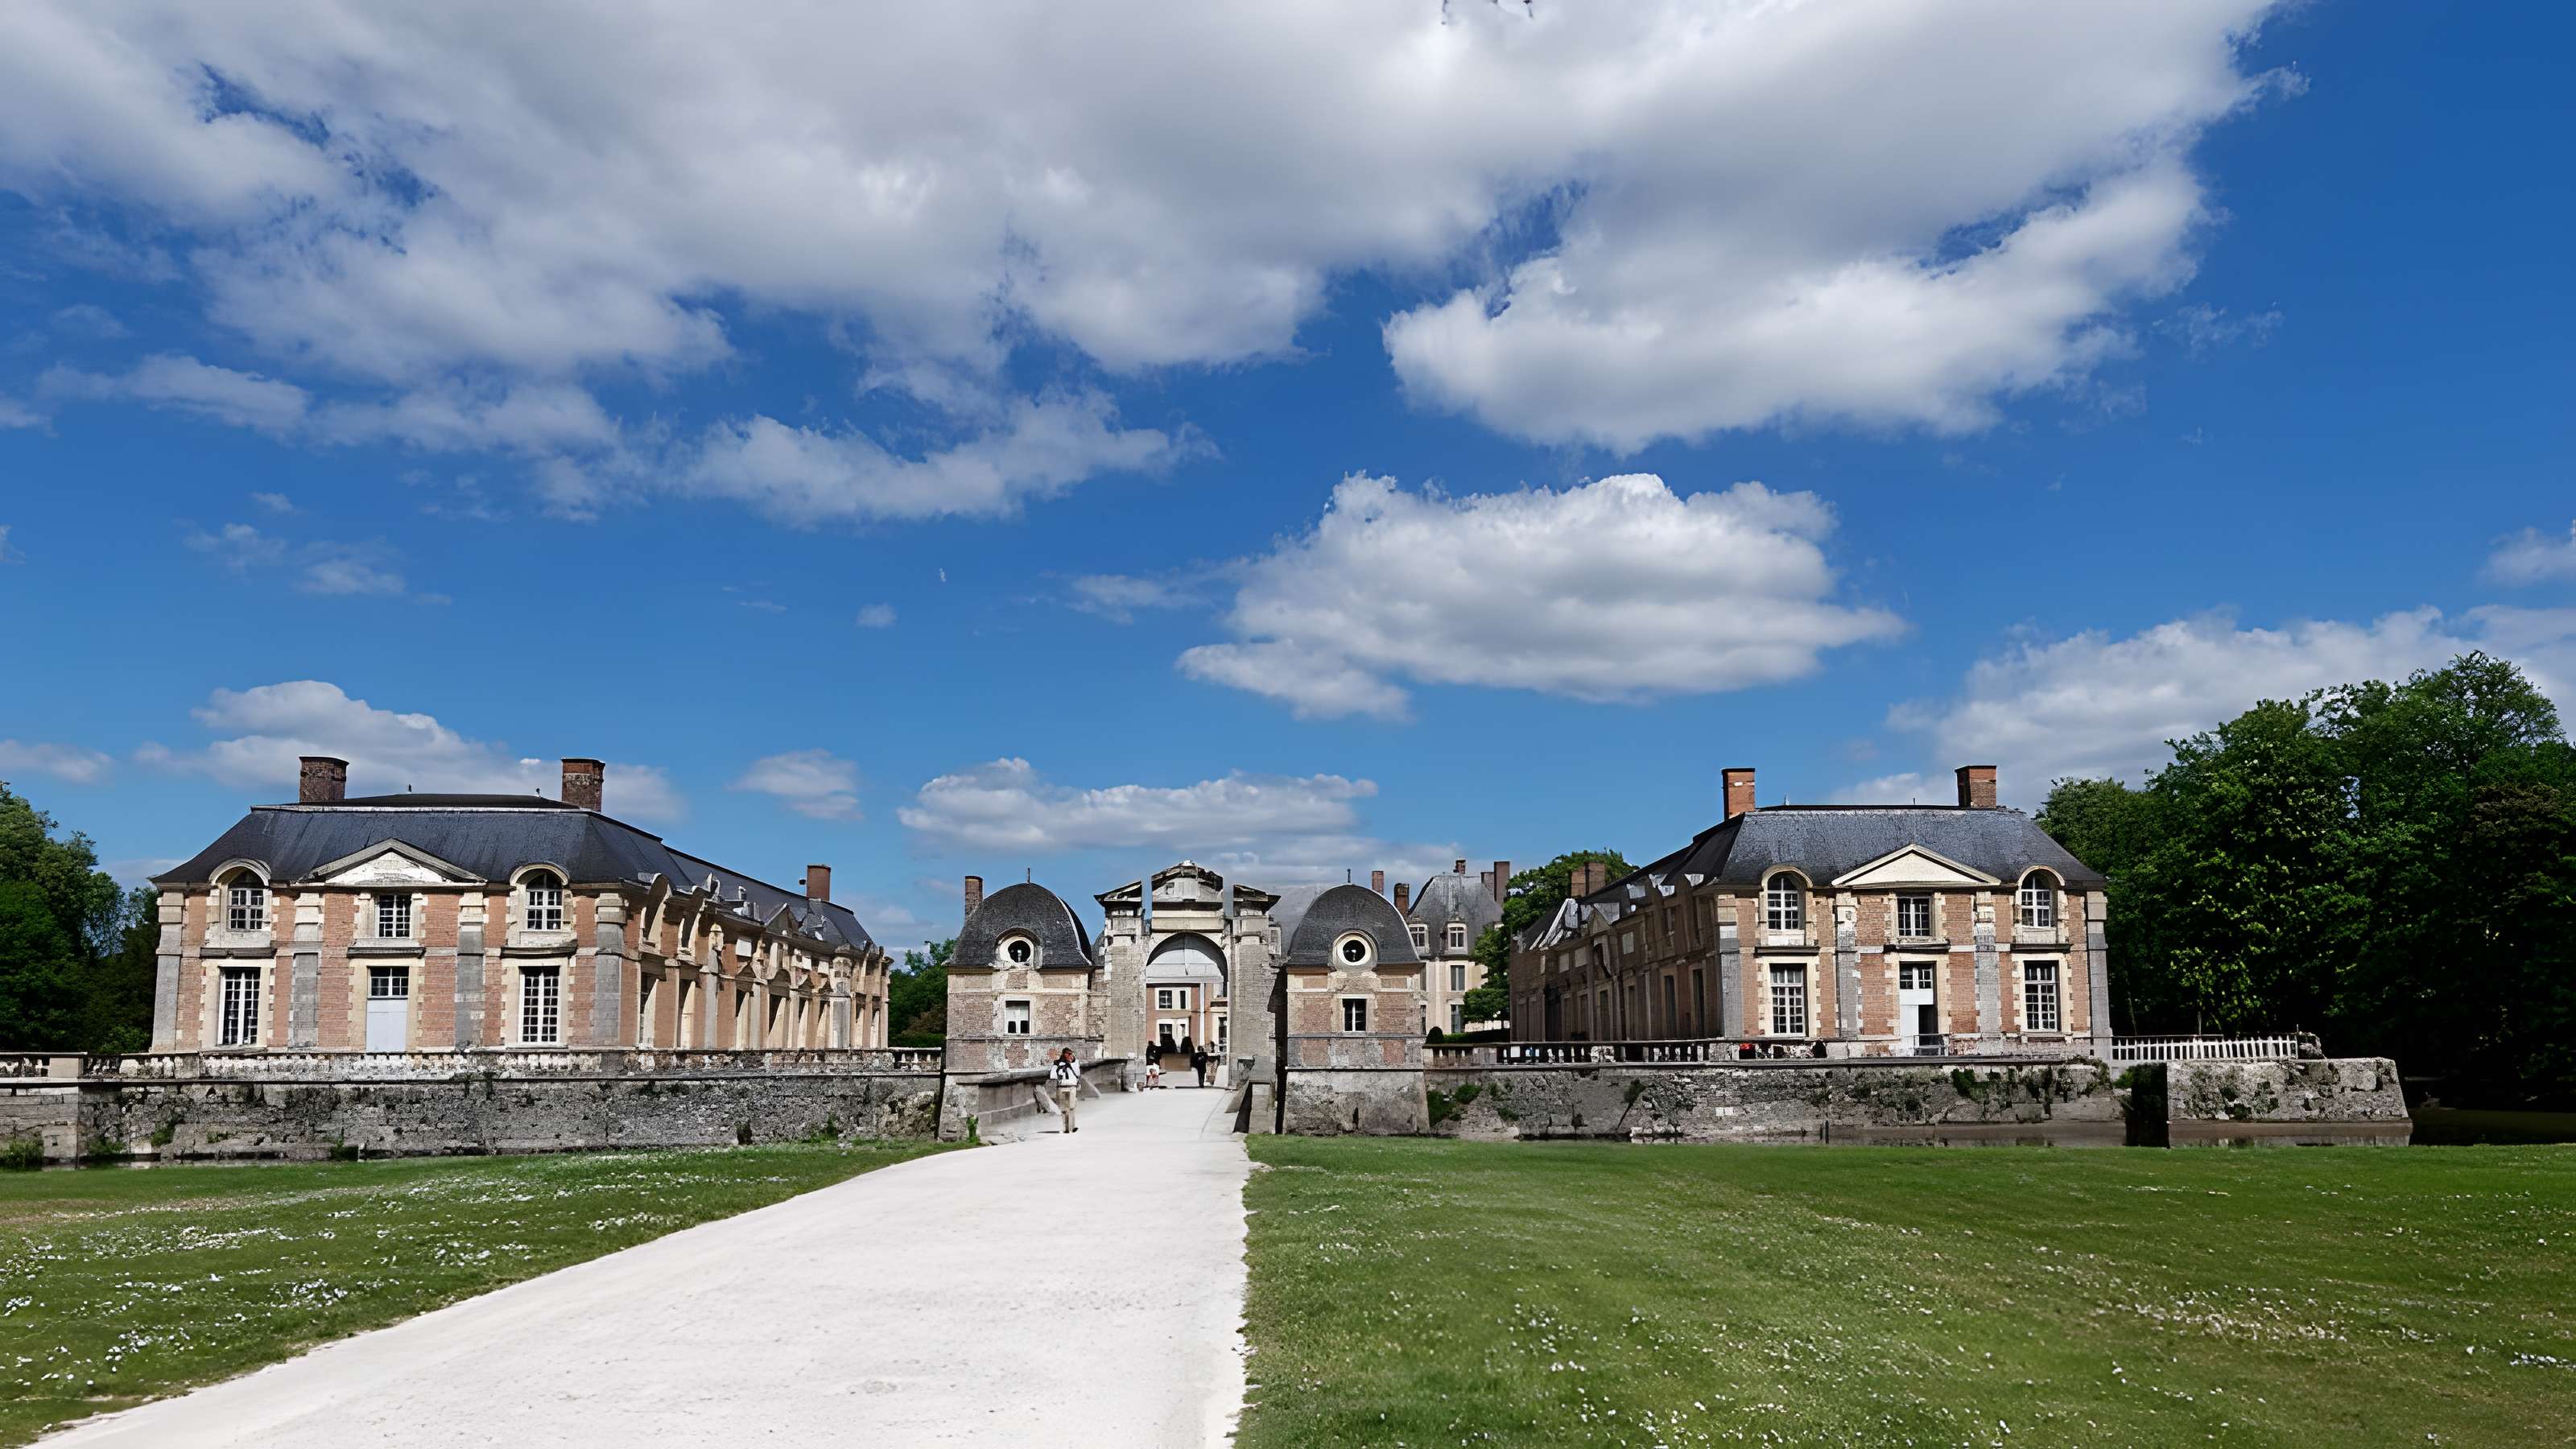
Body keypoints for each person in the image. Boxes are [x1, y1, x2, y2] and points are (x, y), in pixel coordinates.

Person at [1050, 1048, 1081, 1133]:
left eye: (1071, 1054)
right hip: (1061, 1087)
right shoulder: (1057, 1063)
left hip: (1072, 1087)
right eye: (1067, 1053)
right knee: (1063, 1109)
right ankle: (1066, 1128)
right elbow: (1052, 1075)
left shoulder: (1075, 1062)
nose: (1069, 1055)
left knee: (1071, 1107)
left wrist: (1072, 1062)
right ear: (1063, 1054)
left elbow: (1077, 1073)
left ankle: (1071, 1127)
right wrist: (1059, 1072)